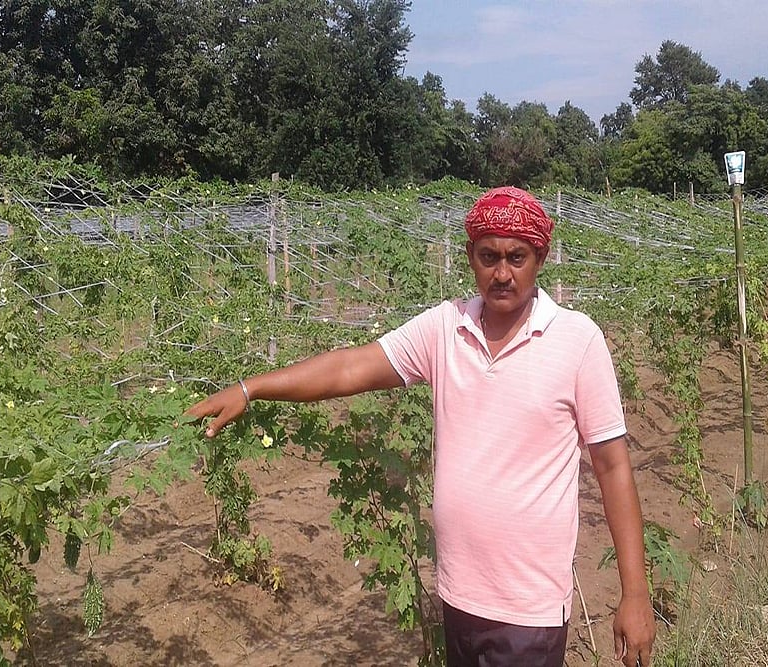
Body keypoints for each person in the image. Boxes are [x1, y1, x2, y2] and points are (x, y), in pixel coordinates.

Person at [187, 186, 656, 667]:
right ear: (470, 256)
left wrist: (634, 594)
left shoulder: (577, 341)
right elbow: (351, 368)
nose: (501, 273)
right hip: (458, 594)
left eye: (517, 257)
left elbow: (613, 466)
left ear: (541, 257)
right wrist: (250, 388)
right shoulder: (445, 328)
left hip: (528, 610)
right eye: (487, 256)